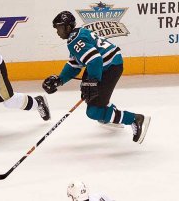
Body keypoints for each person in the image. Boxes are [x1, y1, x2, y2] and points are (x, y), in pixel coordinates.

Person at [42, 11, 151, 144]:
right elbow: (75, 64)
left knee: (93, 112)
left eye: (59, 28)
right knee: (94, 101)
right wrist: (60, 79)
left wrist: (92, 82)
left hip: (110, 67)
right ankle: (108, 114)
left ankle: (135, 119)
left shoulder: (75, 40)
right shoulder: (78, 34)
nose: (57, 32)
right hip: (108, 63)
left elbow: (94, 60)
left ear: (68, 27)